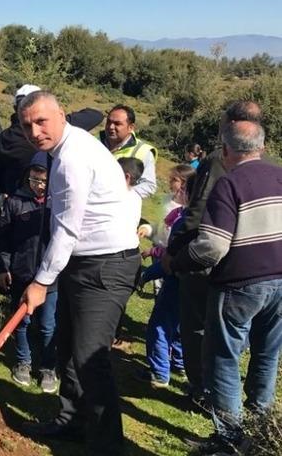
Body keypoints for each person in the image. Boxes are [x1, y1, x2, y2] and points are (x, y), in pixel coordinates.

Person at [18, 91, 140, 455]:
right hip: (82, 262)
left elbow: (67, 229)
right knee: (69, 351)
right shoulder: (62, 151)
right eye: (28, 125)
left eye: (42, 121)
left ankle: (108, 447)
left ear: (61, 115)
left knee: (91, 358)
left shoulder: (72, 158)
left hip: (106, 267)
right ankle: (72, 421)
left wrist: (41, 281)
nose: (35, 131)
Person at [167, 119, 282, 456]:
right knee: (266, 354)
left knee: (223, 359)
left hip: (240, 283)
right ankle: (261, 430)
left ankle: (230, 438)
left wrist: (179, 260)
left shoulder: (229, 184)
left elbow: (212, 247)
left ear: (227, 149)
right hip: (279, 282)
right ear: (261, 147)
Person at [166, 100, 264, 413]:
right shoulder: (270, 164)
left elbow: (197, 212)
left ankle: (203, 391)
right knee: (244, 336)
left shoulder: (218, 161)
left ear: (230, 125)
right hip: (256, 266)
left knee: (197, 327)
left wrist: (175, 252)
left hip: (210, 255)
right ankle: (248, 403)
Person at [0, 157, 59, 393]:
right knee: (21, 320)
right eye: (34, 180)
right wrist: (3, 267)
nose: (39, 185)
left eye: (44, 181)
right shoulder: (15, 202)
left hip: (50, 278)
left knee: (47, 325)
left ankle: (47, 366)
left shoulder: (57, 205)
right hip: (21, 273)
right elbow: (2, 238)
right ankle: (23, 361)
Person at [0, 84, 104, 198]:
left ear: (15, 108)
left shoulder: (5, 137)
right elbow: (96, 115)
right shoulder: (58, 127)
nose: (35, 133)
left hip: (18, 202)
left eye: (41, 121)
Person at [136, 165, 195, 389]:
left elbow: (170, 258)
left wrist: (147, 274)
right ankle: (179, 363)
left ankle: (159, 372)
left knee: (160, 325)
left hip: (174, 279)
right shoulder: (201, 217)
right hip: (193, 285)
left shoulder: (182, 220)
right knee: (180, 324)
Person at [100, 104, 157, 198]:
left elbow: (149, 185)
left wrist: (122, 194)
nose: (111, 127)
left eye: (117, 124)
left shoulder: (143, 152)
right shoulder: (93, 141)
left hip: (118, 208)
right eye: (108, 122)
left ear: (131, 127)